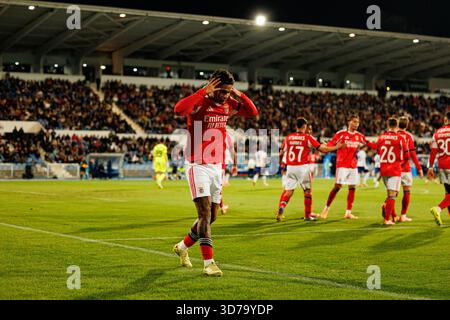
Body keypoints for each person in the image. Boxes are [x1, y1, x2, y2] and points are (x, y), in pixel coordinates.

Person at [172, 69, 258, 277]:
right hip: (197, 164)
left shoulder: (228, 104)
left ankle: (182, 247)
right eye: (222, 91)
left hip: (216, 166)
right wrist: (203, 91)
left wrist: (239, 94)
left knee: (212, 217)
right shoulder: (201, 102)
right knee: (204, 214)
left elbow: (252, 112)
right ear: (213, 86)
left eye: (228, 92)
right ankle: (208, 263)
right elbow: (178, 109)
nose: (225, 95)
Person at [276, 117, 343, 222]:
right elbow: (323, 149)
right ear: (304, 127)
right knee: (308, 191)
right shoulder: (307, 138)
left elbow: (280, 153)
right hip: (302, 167)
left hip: (290, 168)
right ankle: (307, 216)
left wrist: (280, 162)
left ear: (296, 126)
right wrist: (336, 147)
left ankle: (281, 208)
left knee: (288, 191)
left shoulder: (288, 137)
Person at [321, 115, 376, 220]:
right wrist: (326, 145)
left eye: (358, 122)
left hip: (353, 165)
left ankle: (348, 212)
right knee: (337, 187)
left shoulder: (359, 136)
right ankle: (326, 209)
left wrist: (379, 146)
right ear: (348, 122)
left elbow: (368, 144)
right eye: (354, 122)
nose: (356, 124)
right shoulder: (341, 134)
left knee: (352, 187)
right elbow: (332, 143)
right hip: (342, 164)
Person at [378, 118, 409, 225]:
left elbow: (378, 150)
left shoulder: (381, 137)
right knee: (392, 195)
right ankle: (387, 219)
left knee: (391, 194)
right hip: (394, 169)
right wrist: (402, 165)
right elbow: (407, 155)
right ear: (397, 125)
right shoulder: (400, 138)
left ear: (387, 124)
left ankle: (394, 216)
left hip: (383, 169)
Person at [397, 116, 424, 222]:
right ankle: (403, 215)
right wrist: (419, 168)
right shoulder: (409, 136)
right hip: (406, 169)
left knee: (392, 194)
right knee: (407, 191)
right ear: (407, 125)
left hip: (395, 168)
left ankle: (392, 214)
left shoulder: (394, 135)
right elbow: (412, 154)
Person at [428, 112, 450, 226]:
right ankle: (438, 208)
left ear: (446, 120)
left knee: (448, 193)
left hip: (442, 165)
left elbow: (433, 152)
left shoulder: (437, 133)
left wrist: (430, 167)